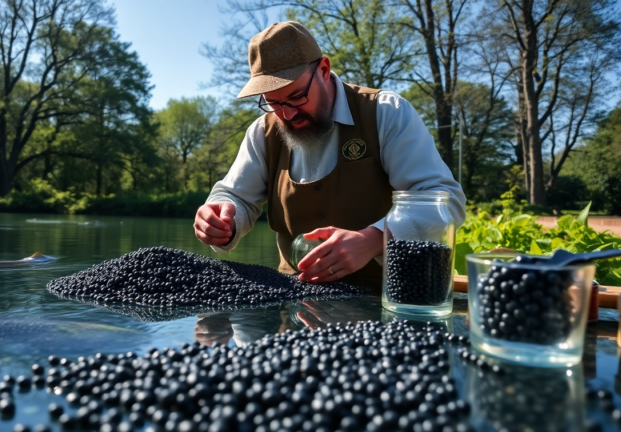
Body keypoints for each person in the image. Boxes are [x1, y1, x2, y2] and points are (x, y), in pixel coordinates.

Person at [193, 21, 465, 284]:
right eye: (274, 103)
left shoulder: (386, 113)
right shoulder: (261, 133)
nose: (287, 114)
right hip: (293, 304)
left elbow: (445, 201)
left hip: (386, 299)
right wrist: (223, 218)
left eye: (297, 96)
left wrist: (375, 239)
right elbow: (234, 196)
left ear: (324, 70)